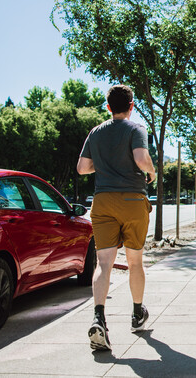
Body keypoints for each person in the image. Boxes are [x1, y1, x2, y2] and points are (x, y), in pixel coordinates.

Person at [77, 84, 156, 352]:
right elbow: (141, 159)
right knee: (135, 261)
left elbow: (82, 168)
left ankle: (99, 318)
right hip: (133, 199)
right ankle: (136, 313)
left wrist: (107, 161)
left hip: (102, 202)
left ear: (108, 106)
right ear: (131, 106)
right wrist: (152, 172)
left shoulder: (95, 132)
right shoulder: (136, 129)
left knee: (104, 263)